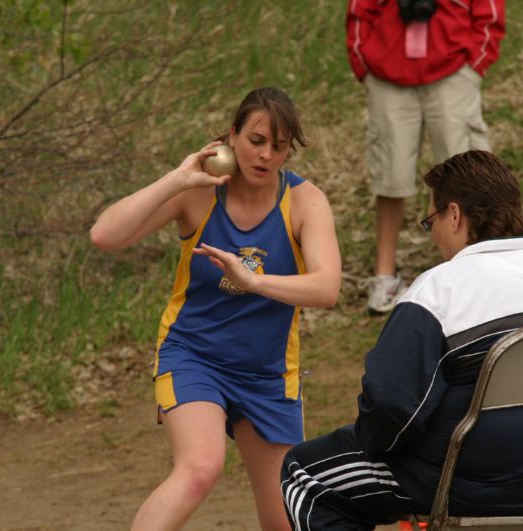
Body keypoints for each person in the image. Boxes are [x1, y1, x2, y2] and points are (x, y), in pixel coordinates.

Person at [280, 150, 523, 531]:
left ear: (454, 215)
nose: (432, 231)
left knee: (305, 474)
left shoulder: (440, 291)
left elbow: (391, 409)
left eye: (429, 220)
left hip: (462, 484)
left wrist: (383, 450)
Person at [90, 87, 342, 531]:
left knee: (285, 518)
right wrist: (178, 178)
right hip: (194, 356)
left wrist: (255, 281)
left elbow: (327, 288)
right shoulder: (200, 193)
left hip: (267, 372)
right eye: (256, 140)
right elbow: (105, 235)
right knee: (201, 468)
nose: (265, 155)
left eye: (278, 146)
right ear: (232, 136)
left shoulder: (305, 202)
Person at [346, 0, 505, 314]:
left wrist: (476, 62)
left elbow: (489, 10)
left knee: (468, 178)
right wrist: (363, 60)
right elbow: (359, 11)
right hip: (388, 73)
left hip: (453, 69)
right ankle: (385, 277)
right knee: (391, 179)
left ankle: (475, 272)